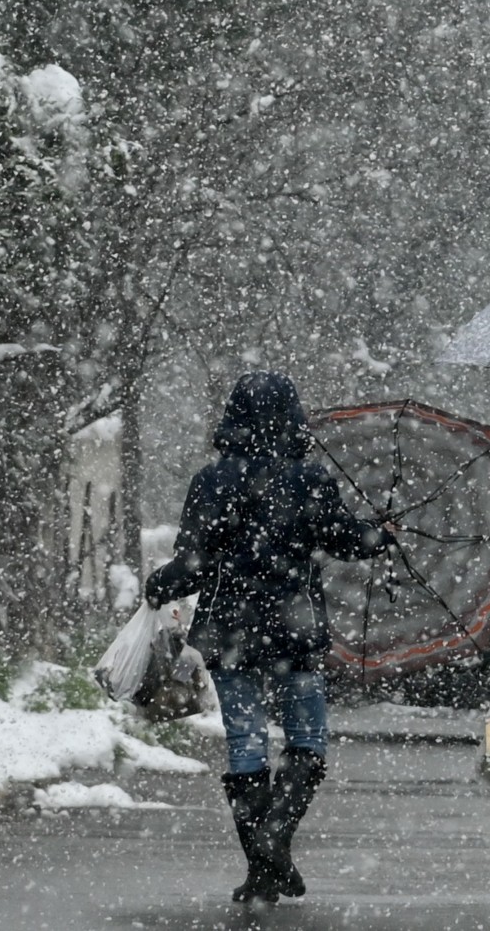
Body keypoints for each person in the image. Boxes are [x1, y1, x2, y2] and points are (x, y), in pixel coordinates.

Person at [144, 371, 396, 905]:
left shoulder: (211, 481)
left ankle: (262, 867)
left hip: (228, 629)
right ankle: (274, 841)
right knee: (307, 738)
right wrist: (379, 533)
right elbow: (345, 538)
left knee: (245, 742)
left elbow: (192, 565)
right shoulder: (310, 480)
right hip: (294, 627)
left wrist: (159, 585)